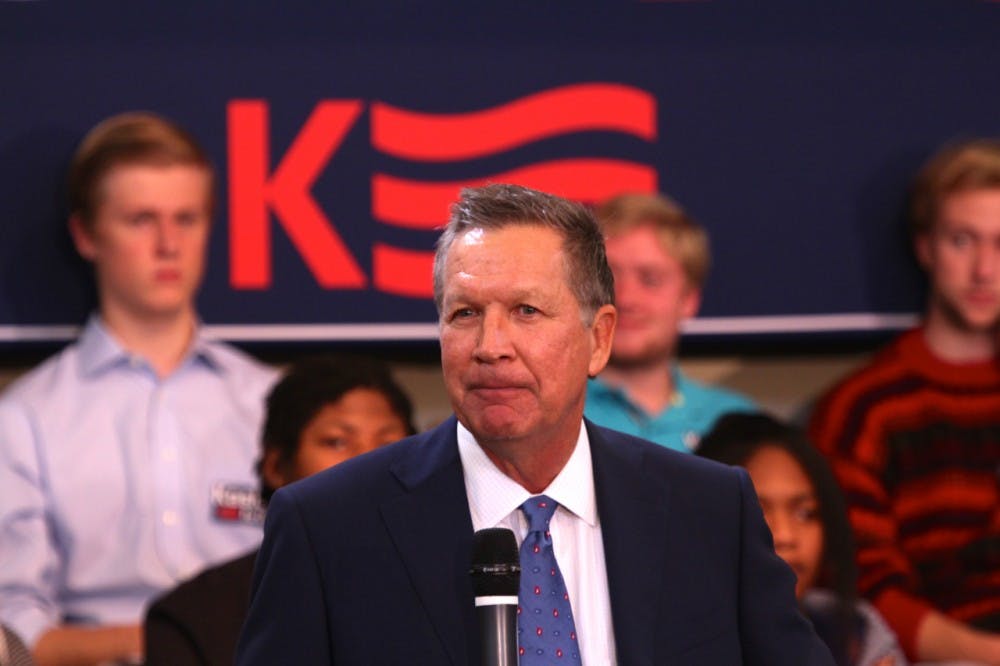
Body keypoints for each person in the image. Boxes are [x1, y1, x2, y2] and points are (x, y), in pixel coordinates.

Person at [236, 183, 833, 664]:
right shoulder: (326, 527)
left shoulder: (710, 512)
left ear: (598, 339)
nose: (491, 346)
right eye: (465, 313)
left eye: (526, 311)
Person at [0, 112, 279, 665]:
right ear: (86, 234)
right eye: (141, 220)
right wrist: (176, 641)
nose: (169, 244)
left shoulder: (270, 401)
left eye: (188, 218)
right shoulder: (24, 419)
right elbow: (17, 628)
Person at [809, 139, 1000, 665]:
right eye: (963, 240)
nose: (984, 269)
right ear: (926, 247)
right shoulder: (864, 409)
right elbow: (865, 586)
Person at [144, 355, 416, 666]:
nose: (367, 461)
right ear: (276, 466)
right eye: (337, 442)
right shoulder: (195, 615)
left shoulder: (455, 588)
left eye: (387, 443)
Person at [698, 412, 907, 666]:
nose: (785, 536)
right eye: (757, 512)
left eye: (805, 514)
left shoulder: (853, 630)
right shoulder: (664, 635)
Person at [584, 192, 755, 452]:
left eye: (650, 279)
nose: (626, 298)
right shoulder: (547, 414)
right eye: (607, 277)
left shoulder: (736, 421)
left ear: (689, 299)